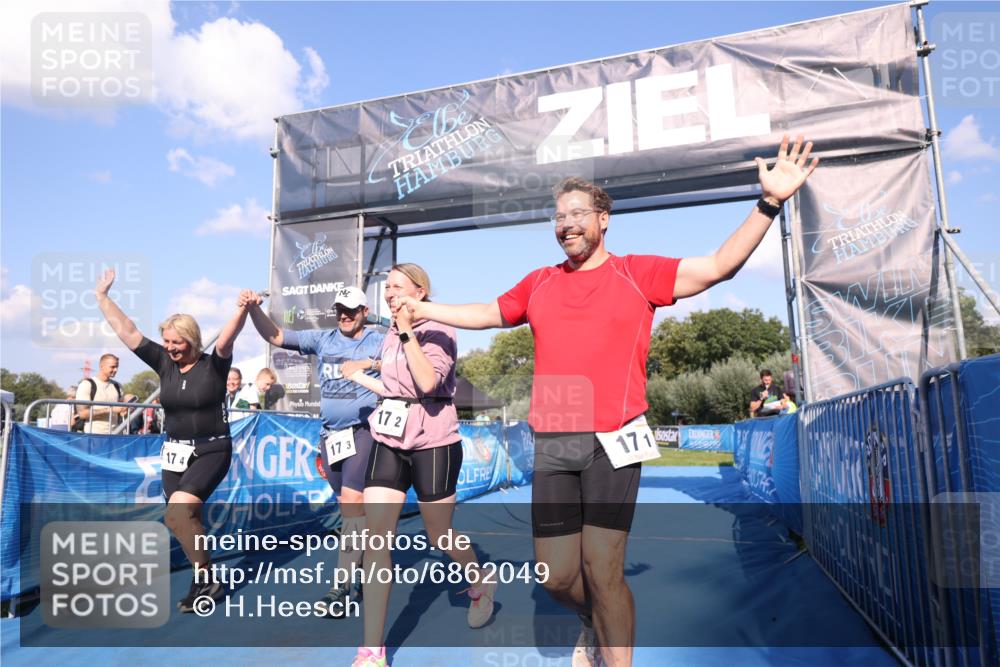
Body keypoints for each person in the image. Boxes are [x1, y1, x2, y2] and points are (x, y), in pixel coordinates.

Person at [395, 135, 818, 667]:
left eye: (577, 213)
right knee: (554, 577)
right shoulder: (540, 283)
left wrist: (769, 202)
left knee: (603, 567)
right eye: (558, 216)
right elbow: (484, 312)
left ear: (604, 219)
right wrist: (424, 307)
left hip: (615, 437)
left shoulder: (636, 272)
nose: (566, 223)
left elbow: (717, 267)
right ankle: (591, 622)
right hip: (555, 438)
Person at [344, 264, 496, 667]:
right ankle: (372, 650)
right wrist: (361, 376)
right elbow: (395, 389)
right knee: (378, 537)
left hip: (434, 441)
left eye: (397, 287)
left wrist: (409, 329)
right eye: (386, 288)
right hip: (389, 439)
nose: (389, 293)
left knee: (439, 535)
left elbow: (427, 384)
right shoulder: (388, 334)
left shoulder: (440, 328)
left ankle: (480, 580)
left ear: (420, 291)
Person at [94, 268, 249, 612]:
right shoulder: (164, 362)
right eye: (166, 342)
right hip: (174, 452)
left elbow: (226, 339)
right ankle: (205, 578)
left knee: (179, 511)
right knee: (180, 518)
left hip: (212, 448)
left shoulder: (215, 366)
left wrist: (241, 308)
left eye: (177, 343)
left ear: (192, 341)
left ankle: (205, 580)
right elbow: (128, 332)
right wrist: (103, 297)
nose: (170, 348)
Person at [240, 285, 384, 617]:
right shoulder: (323, 339)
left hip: (364, 430)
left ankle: (341, 585)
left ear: (364, 311)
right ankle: (360, 559)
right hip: (330, 435)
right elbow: (276, 335)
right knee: (347, 505)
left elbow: (404, 361)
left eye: (351, 310)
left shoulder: (377, 339)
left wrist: (369, 361)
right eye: (339, 310)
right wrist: (252, 311)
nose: (344, 315)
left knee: (352, 501)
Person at [73, 354, 126, 433]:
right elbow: (83, 414)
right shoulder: (87, 384)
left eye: (117, 367)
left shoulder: (118, 386)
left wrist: (125, 410)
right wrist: (110, 409)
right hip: (93, 435)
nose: (116, 370)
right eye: (112, 367)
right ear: (101, 367)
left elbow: (120, 410)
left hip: (115, 436)